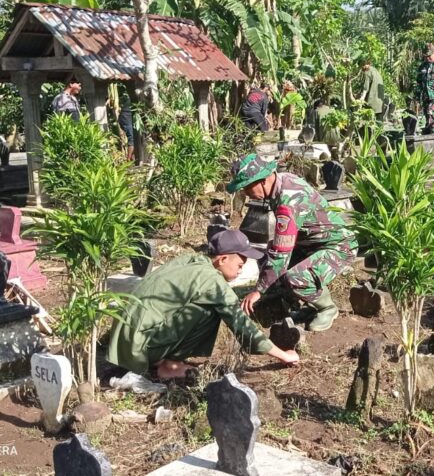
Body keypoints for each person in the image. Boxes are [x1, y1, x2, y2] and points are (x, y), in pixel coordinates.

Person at [107, 230, 300, 380]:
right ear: (223, 259)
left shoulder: (188, 260)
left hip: (124, 342)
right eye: (240, 265)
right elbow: (243, 326)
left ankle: (159, 359)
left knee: (201, 303)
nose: (241, 271)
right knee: (210, 309)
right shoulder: (211, 281)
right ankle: (170, 366)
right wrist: (283, 355)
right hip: (139, 348)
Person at [227, 154, 358, 331]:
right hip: (311, 245)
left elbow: (281, 253)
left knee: (295, 277)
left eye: (247, 187)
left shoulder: (288, 202)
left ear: (263, 180)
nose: (246, 193)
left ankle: (327, 308)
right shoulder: (281, 181)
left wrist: (258, 291)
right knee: (270, 258)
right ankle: (303, 303)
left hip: (339, 247)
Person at [118, 91, 135, 161]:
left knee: (134, 138)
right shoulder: (135, 99)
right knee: (132, 138)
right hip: (126, 119)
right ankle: (128, 158)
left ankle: (132, 158)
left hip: (124, 118)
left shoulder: (131, 99)